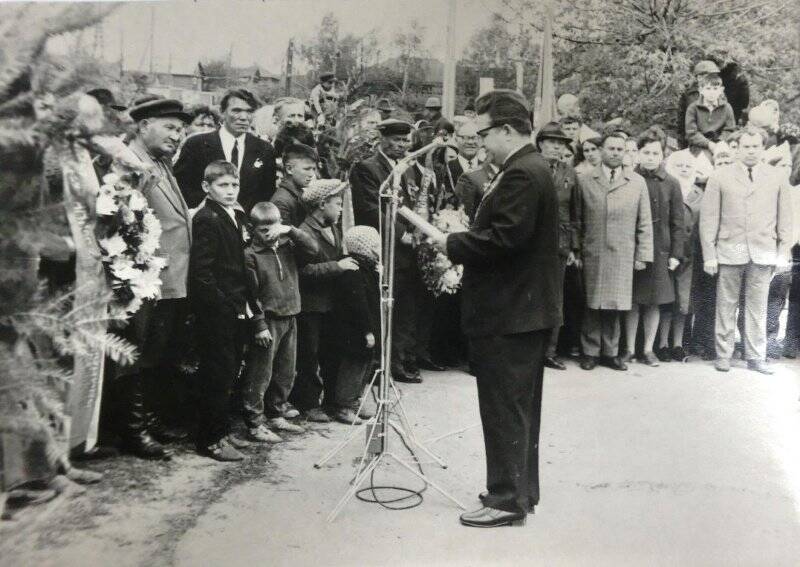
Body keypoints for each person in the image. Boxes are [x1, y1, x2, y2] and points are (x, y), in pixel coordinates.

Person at [429, 89, 561, 528]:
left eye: (485, 133)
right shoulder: (529, 167)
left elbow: (505, 239)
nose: (481, 142)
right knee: (517, 408)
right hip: (521, 312)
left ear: (507, 130)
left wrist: (451, 242)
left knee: (504, 409)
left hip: (510, 314)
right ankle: (517, 493)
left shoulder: (522, 172)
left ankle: (506, 500)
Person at [116, 97, 193, 460]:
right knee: (136, 354)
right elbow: (121, 222)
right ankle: (132, 430)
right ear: (143, 125)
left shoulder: (159, 163)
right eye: (170, 127)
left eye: (181, 130)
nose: (177, 136)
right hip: (143, 278)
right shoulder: (129, 163)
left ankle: (147, 419)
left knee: (155, 354)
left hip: (169, 277)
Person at [699, 125, 794, 374]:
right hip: (730, 249)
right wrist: (709, 254)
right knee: (726, 304)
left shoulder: (776, 177)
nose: (751, 151)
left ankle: (755, 356)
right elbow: (709, 218)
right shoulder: (720, 176)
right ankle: (724, 354)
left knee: (757, 307)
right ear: (737, 149)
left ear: (762, 149)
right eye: (746, 146)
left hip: (763, 251)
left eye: (755, 146)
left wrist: (783, 252)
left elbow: (786, 219)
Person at [349, 119, 425, 383]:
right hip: (384, 248)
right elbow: (371, 209)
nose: (401, 145)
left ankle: (399, 362)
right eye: (396, 140)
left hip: (409, 249)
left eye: (405, 141)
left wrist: (420, 231)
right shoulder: (366, 168)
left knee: (405, 307)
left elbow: (414, 203)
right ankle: (378, 367)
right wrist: (401, 234)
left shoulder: (410, 168)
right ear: (382, 139)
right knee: (382, 307)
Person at [190, 160, 256, 461]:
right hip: (218, 310)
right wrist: (221, 305)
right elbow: (202, 271)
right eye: (223, 186)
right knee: (217, 373)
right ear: (207, 187)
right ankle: (210, 439)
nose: (230, 191)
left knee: (229, 372)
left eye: (234, 185)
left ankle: (223, 430)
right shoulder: (207, 218)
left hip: (236, 304)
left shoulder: (232, 215)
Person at [242, 201, 318, 442]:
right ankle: (255, 423)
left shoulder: (287, 246)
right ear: (253, 229)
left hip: (291, 315)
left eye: (273, 227)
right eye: (263, 229)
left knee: (285, 372)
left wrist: (290, 230)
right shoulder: (250, 255)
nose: (269, 234)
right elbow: (250, 295)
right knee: (260, 374)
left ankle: (276, 413)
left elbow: (313, 249)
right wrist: (259, 324)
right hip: (269, 321)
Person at [578, 130, 654, 371]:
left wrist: (643, 255)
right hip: (593, 251)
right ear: (601, 151)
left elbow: (644, 222)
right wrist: (577, 250)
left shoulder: (637, 182)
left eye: (620, 149)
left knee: (615, 304)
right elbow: (577, 219)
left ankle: (611, 352)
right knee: (592, 303)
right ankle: (590, 351)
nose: (615, 153)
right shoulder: (586, 180)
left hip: (623, 252)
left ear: (626, 153)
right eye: (610, 148)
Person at [622, 126, 685, 366]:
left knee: (655, 300)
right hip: (634, 247)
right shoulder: (630, 179)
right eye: (646, 152)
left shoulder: (671, 183)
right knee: (634, 300)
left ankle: (648, 349)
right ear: (638, 154)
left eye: (655, 153)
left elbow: (677, 222)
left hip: (661, 249)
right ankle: (628, 348)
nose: (650, 157)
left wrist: (676, 254)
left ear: (662, 156)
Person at [293, 180, 352, 422]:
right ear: (321, 204)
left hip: (331, 304)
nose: (340, 210)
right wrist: (336, 267)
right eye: (337, 204)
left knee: (332, 353)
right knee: (309, 354)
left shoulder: (333, 227)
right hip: (311, 305)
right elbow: (302, 271)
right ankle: (308, 403)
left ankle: (333, 403)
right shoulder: (304, 232)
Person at [175, 88, 277, 211]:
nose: (244, 117)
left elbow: (266, 194)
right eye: (236, 110)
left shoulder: (264, 149)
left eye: (249, 111)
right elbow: (182, 188)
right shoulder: (196, 144)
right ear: (222, 112)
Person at [535, 122, 583, 370]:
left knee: (555, 299)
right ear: (541, 143)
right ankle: (529, 350)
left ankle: (549, 351)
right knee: (531, 296)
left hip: (560, 244)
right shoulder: (531, 167)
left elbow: (574, 211)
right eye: (552, 142)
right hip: (532, 243)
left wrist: (574, 247)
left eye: (561, 143)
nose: (557, 147)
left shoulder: (569, 172)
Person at [332, 226, 382, 424]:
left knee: (365, 365)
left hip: (365, 327)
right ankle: (344, 405)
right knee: (354, 366)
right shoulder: (354, 270)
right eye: (375, 245)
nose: (379, 248)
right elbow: (358, 303)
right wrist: (367, 330)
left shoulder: (369, 268)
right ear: (365, 248)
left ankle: (354, 401)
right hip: (356, 330)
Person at [658, 149, 705, 362]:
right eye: (680, 166)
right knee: (667, 299)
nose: (685, 169)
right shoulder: (666, 189)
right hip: (670, 252)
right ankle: (662, 343)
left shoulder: (700, 194)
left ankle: (677, 344)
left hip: (692, 255)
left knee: (683, 303)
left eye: (688, 166)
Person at [685, 73, 736, 159]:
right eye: (708, 89)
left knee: (728, 159)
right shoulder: (693, 108)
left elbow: (730, 129)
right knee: (706, 160)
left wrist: (720, 142)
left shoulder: (727, 107)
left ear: (721, 90)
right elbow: (691, 133)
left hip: (721, 143)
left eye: (715, 89)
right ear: (701, 90)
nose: (712, 92)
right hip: (700, 145)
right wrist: (709, 144)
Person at [270, 143, 318, 228]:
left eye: (313, 169)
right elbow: (284, 239)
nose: (311, 174)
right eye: (307, 169)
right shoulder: (281, 202)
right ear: (289, 169)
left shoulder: (298, 193)